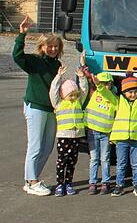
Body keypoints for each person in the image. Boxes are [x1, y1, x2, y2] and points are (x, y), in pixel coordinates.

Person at [14, 16, 62, 196]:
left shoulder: (57, 64)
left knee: (48, 146)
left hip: (51, 110)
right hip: (35, 107)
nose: (53, 49)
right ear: (42, 47)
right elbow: (17, 57)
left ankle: (32, 180)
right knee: (35, 146)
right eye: (49, 46)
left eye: (56, 46)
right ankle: (32, 181)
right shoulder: (35, 61)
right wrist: (22, 34)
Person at [48, 66, 88, 196]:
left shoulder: (78, 102)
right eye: (71, 95)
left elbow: (84, 90)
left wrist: (82, 77)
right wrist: (58, 77)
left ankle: (69, 183)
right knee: (62, 160)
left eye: (75, 95)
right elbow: (53, 91)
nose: (74, 97)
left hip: (76, 136)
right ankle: (60, 184)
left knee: (72, 161)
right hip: (64, 136)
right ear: (64, 95)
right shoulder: (59, 104)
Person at [85, 71, 118, 195]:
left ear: (111, 84)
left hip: (106, 134)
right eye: (101, 83)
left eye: (106, 83)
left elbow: (104, 92)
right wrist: (84, 67)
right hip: (92, 132)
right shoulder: (95, 94)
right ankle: (92, 183)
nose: (104, 86)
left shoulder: (114, 99)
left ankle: (105, 182)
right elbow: (87, 81)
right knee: (94, 158)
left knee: (105, 159)